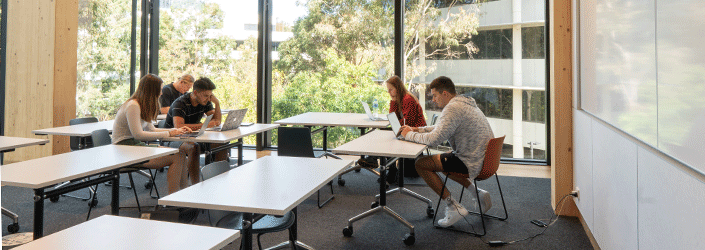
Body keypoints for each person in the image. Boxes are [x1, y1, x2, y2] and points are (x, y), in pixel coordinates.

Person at [399, 76, 494, 228]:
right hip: (483, 159)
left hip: (471, 161)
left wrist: (408, 135)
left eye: (435, 95)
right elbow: (443, 127)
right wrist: (418, 130)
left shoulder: (453, 108)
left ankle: (453, 207)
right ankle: (478, 193)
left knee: (421, 164)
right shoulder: (463, 103)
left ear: (445, 93)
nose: (433, 100)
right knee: (442, 161)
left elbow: (434, 140)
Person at [112, 74, 201, 194]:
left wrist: (174, 132)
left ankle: (183, 195)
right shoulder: (133, 105)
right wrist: (169, 133)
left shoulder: (141, 105)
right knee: (176, 157)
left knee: (180, 154)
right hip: (124, 149)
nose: (161, 93)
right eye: (159, 90)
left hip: (133, 146)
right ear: (151, 91)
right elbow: (138, 134)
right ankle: (174, 200)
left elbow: (151, 130)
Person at [358, 75, 428, 181]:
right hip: (407, 129)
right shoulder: (400, 99)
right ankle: (386, 167)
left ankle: (386, 168)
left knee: (386, 137)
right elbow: (393, 117)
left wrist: (395, 124)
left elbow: (406, 121)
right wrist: (393, 101)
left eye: (391, 89)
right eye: (388, 90)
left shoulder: (408, 99)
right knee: (384, 135)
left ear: (398, 88)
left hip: (415, 131)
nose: (389, 92)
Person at [164, 77, 228, 162]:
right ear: (195, 92)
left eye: (210, 96)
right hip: (172, 138)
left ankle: (218, 173)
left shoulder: (205, 101)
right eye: (206, 96)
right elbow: (179, 127)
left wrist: (217, 103)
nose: (208, 99)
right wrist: (205, 125)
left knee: (220, 143)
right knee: (193, 147)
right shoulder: (180, 103)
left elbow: (217, 121)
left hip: (192, 136)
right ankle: (195, 176)